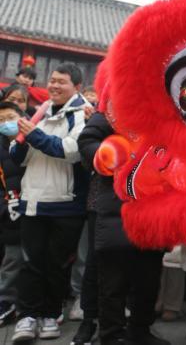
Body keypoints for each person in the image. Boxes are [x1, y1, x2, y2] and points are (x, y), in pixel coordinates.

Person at [10, 63, 89, 342]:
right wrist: (21, 141)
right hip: (33, 200)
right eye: (52, 80)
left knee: (57, 266)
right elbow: (18, 157)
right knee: (30, 263)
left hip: (65, 203)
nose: (54, 85)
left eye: (61, 82)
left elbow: (71, 150)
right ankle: (27, 316)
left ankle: (51, 314)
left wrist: (33, 135)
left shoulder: (82, 114)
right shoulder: (41, 111)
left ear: (76, 87)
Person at [77, 111, 170, 345]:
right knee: (112, 281)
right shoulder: (112, 111)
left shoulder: (164, 112)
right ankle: (111, 334)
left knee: (148, 278)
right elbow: (87, 140)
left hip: (153, 208)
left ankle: (140, 330)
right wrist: (110, 156)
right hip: (115, 205)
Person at [0, 102, 26, 327]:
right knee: (12, 259)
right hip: (9, 210)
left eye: (10, 117)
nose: (6, 123)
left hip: (37, 206)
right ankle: (6, 302)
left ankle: (32, 305)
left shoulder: (33, 141)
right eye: (1, 120)